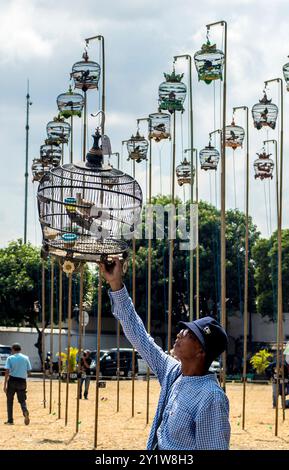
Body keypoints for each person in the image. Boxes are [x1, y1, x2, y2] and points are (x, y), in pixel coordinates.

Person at [100, 258, 230, 450]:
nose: (180, 334)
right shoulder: (173, 372)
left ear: (201, 350)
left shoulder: (211, 397)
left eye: (189, 333)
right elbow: (139, 335)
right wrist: (116, 284)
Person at [3, 343, 31, 425]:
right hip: (22, 381)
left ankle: (10, 420)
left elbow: (7, 371)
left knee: (9, 401)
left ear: (13, 349)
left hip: (12, 381)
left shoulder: (10, 358)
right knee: (22, 400)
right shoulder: (26, 358)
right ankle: (25, 411)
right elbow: (29, 371)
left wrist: (5, 385)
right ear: (20, 349)